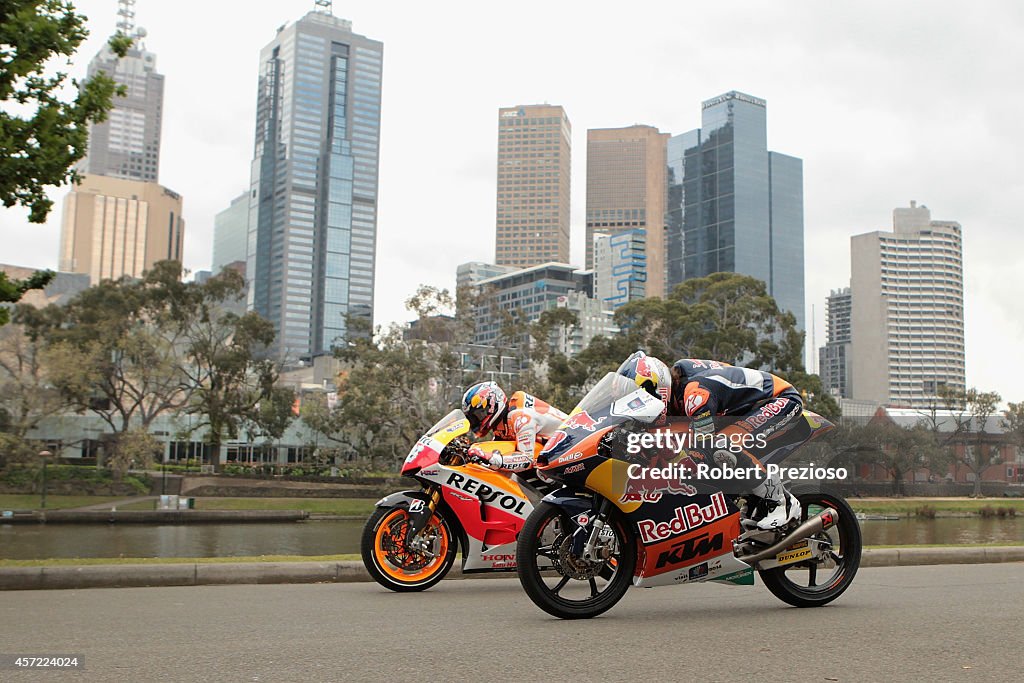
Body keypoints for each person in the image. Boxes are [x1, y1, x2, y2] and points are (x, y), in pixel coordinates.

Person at [617, 351, 806, 531]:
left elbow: (703, 443)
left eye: (641, 397)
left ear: (658, 388)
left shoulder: (695, 395)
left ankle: (781, 501)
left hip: (779, 400)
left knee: (718, 447)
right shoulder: (677, 389)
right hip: (740, 410)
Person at [460, 381, 568, 473]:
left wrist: (491, 458)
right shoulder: (501, 426)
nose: (476, 421)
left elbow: (526, 460)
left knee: (535, 471)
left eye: (478, 414)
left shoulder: (520, 418)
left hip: (567, 454)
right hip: (555, 456)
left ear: (491, 405)